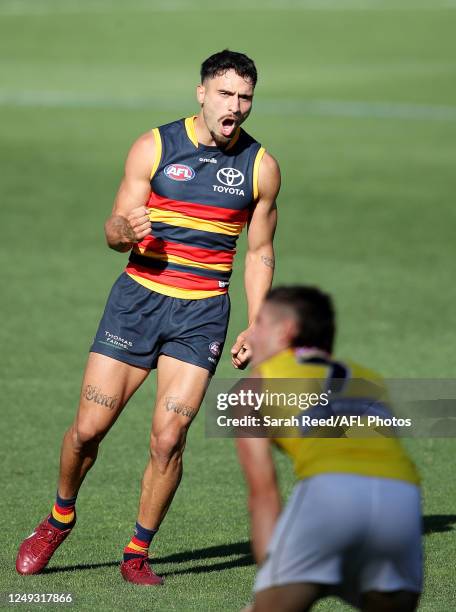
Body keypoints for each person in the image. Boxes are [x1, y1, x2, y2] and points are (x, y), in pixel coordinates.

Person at [16, 49, 280, 585]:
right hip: (137, 302)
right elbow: (113, 232)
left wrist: (257, 321)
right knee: (89, 430)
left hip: (203, 312)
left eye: (245, 97)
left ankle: (137, 550)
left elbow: (258, 251)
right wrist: (124, 230)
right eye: (226, 94)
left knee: (168, 438)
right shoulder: (154, 146)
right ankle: (59, 517)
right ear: (201, 93)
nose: (236, 106)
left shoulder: (261, 167)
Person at [236, 286, 422, 611]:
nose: (251, 335)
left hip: (331, 492)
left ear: (286, 332)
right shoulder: (369, 378)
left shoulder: (257, 383)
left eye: (260, 323)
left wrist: (271, 578)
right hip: (401, 494)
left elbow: (263, 494)